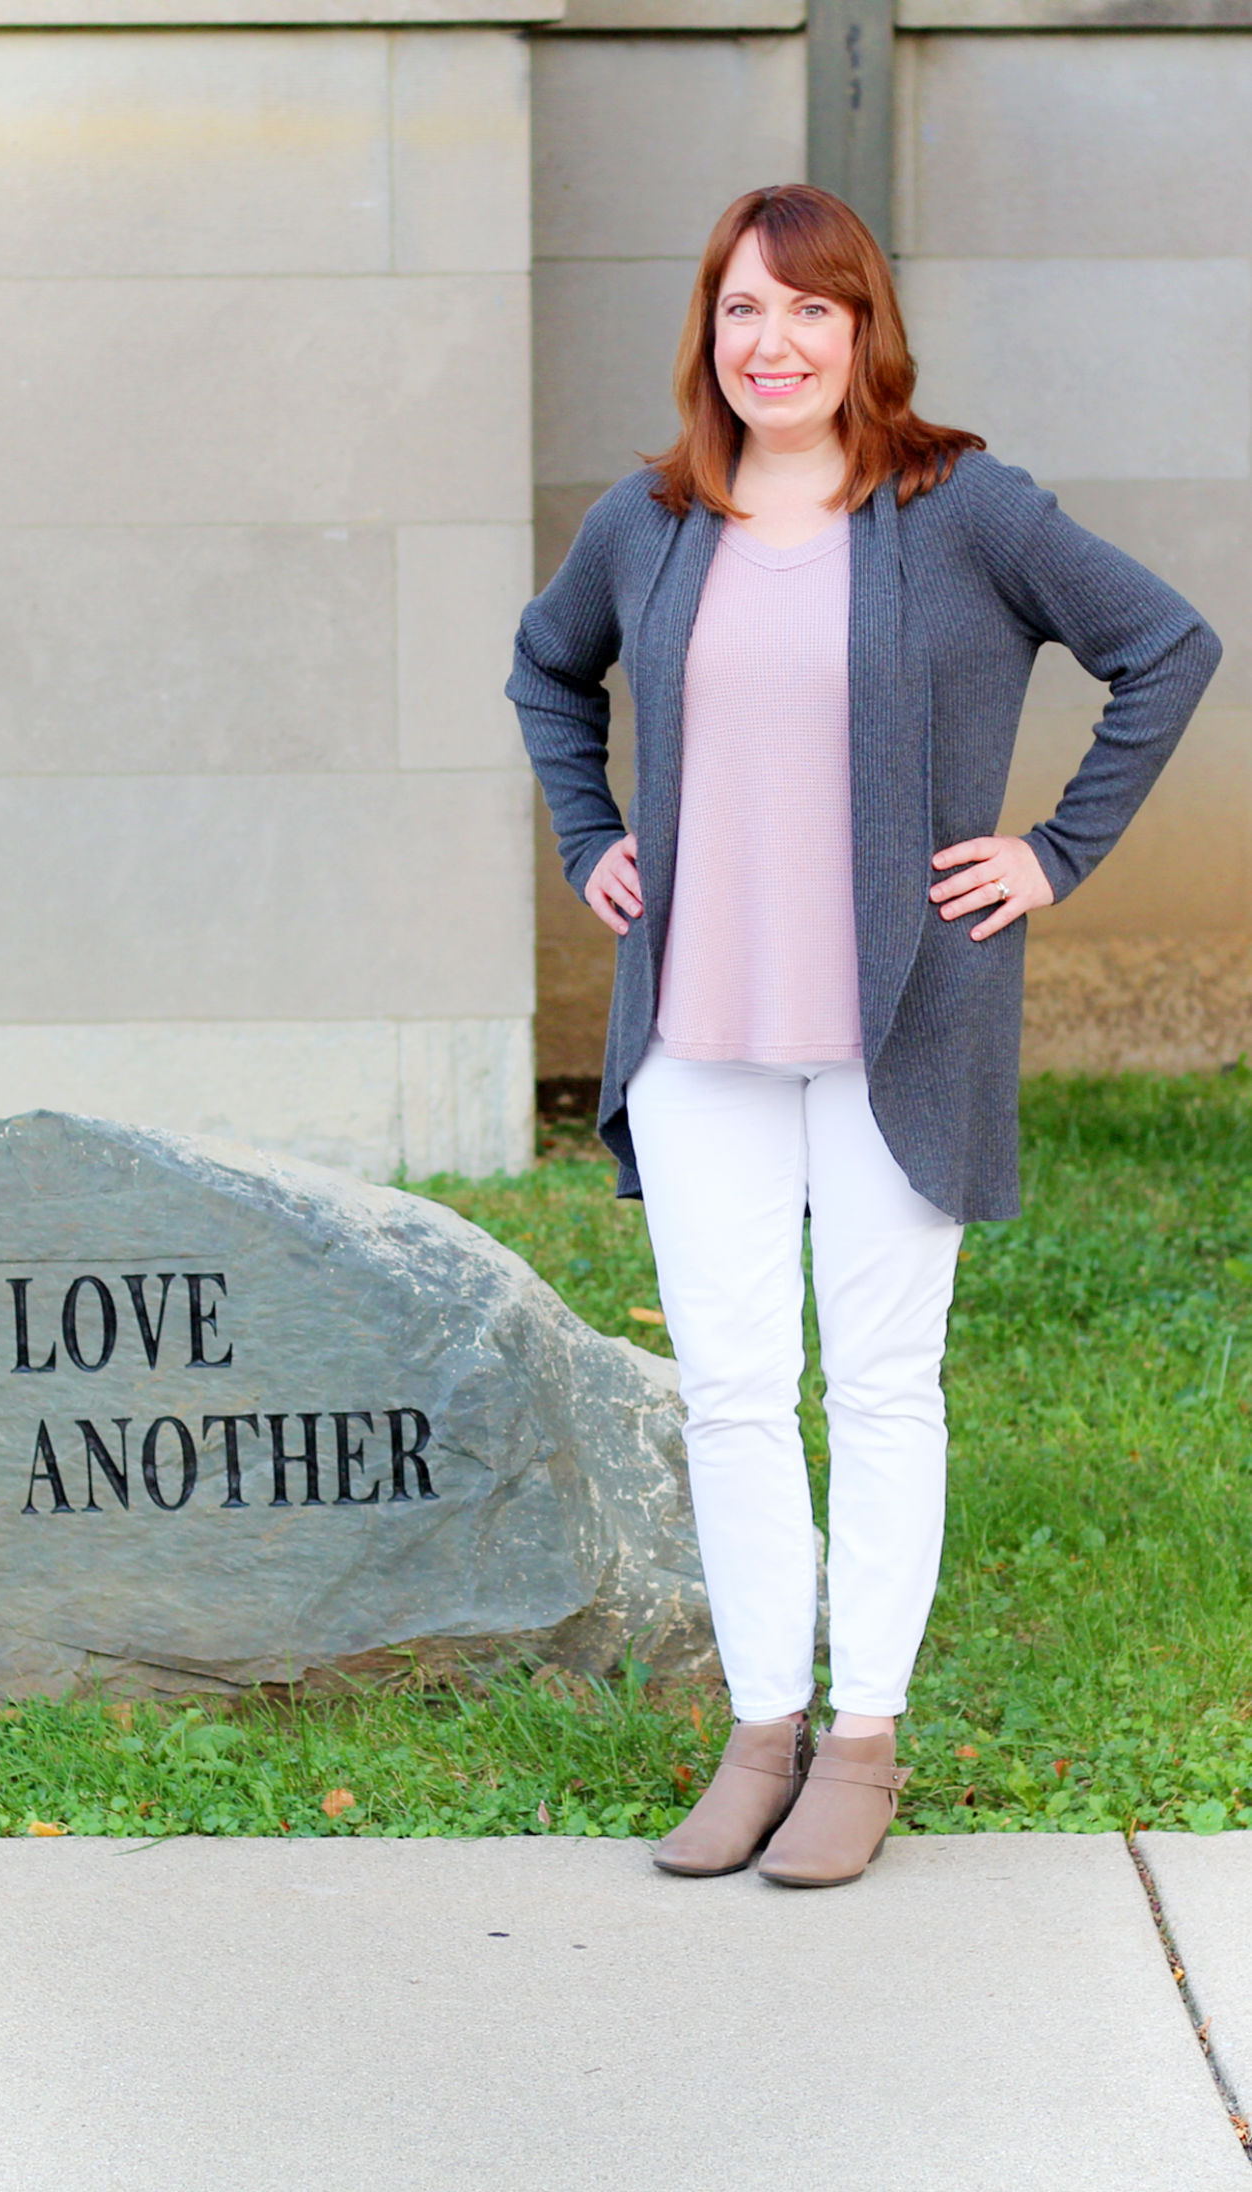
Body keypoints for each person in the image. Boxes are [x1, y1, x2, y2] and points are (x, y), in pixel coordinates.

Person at [507, 184, 1221, 1888]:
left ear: (861, 332)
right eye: (742, 312)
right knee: (742, 1395)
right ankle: (761, 1729)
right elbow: (549, 675)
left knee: (882, 1387)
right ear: (709, 333)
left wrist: (1049, 853)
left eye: (808, 312)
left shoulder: (959, 508)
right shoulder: (650, 522)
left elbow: (1163, 647)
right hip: (698, 1037)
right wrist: (588, 833)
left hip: (901, 1027)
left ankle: (864, 1739)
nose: (773, 344)